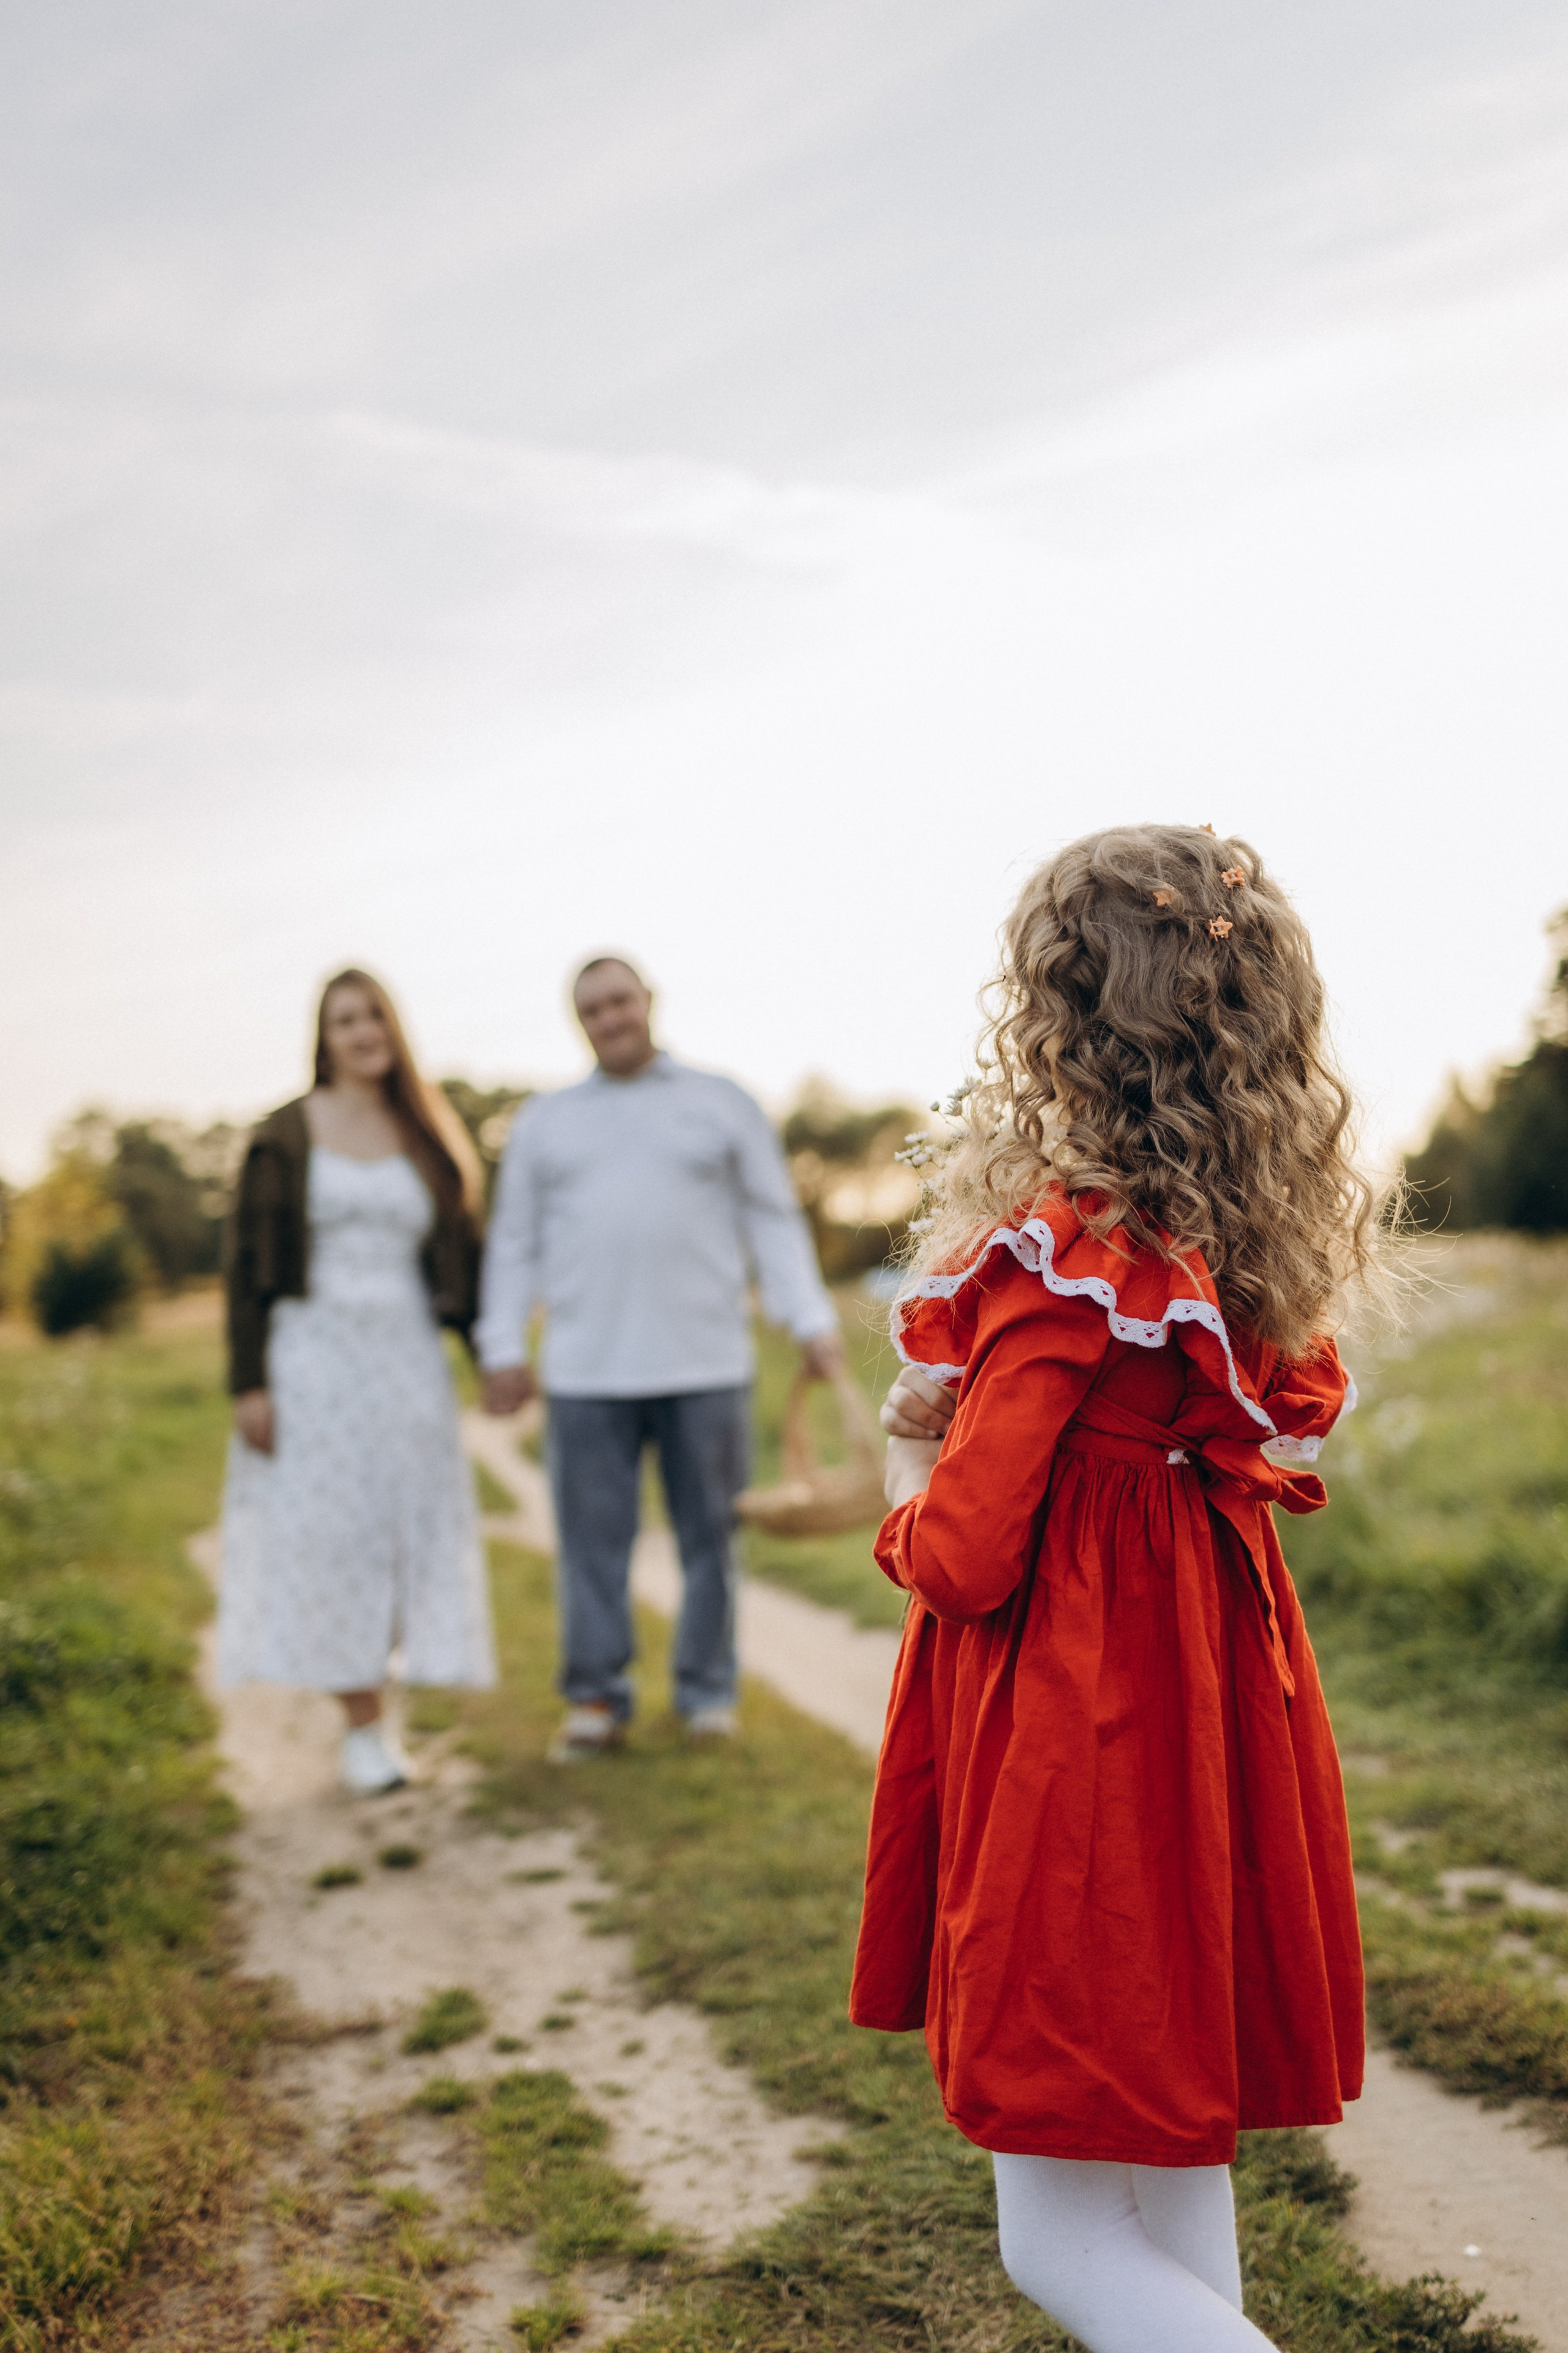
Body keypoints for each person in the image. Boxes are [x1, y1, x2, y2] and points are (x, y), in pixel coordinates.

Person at [851, 826, 1375, 2353]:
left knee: (1060, 2235)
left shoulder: (1064, 1264)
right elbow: (1241, 1452)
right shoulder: (1236, 1262)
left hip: (1072, 1768)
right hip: (1201, 1739)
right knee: (1164, 2158)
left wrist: (904, 1457)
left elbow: (961, 1552)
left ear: (1061, 1027)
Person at [477, 954, 841, 1756]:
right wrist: (501, 1343)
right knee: (590, 1544)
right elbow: (512, 1243)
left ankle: (707, 1692)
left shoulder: (721, 1103)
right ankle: (597, 1699)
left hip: (707, 1364)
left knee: (711, 1538)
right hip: (585, 1371)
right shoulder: (545, 1122)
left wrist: (808, 1318)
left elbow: (774, 1222)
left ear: (649, 1001)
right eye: (591, 1009)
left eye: (619, 1001)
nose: (609, 1018)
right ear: (580, 1023)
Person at [219, 968, 497, 1793]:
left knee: (405, 1538)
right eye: (345, 1019)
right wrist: (250, 1383)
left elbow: (464, 1263)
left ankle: (381, 1692)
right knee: (336, 1543)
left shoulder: (425, 1131)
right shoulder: (282, 1134)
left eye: (374, 1014)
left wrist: (495, 1362)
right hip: (312, 1359)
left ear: (392, 1026)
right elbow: (243, 1270)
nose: (362, 1030)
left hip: (406, 1362)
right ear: (324, 1035)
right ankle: (363, 1725)